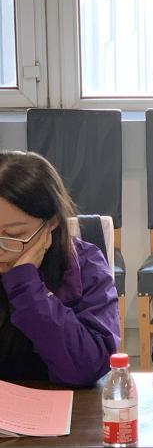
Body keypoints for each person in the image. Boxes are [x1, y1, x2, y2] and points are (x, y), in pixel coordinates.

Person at [0, 150, 120, 385]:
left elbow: (88, 367)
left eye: (13, 235)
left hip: (58, 402)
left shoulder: (84, 265)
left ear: (52, 222)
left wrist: (26, 286)